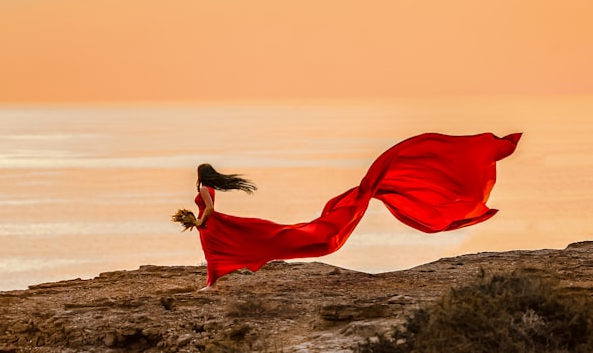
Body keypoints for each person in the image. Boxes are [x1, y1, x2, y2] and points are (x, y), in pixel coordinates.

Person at [185, 132, 522, 290]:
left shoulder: (202, 189)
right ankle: (213, 280)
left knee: (238, 245)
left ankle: (212, 282)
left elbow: (210, 211)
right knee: (231, 247)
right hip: (212, 227)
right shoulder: (208, 185)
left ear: (201, 176)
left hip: (213, 225)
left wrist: (197, 221)